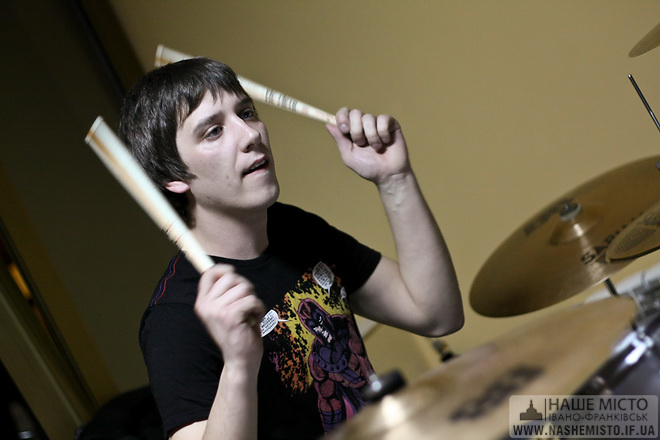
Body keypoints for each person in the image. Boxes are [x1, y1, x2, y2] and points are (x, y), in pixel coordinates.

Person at [118, 57, 464, 440]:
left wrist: (395, 179)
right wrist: (238, 366)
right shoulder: (174, 318)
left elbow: (436, 315)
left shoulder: (294, 229)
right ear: (173, 176)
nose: (250, 134)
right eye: (214, 131)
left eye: (246, 112)